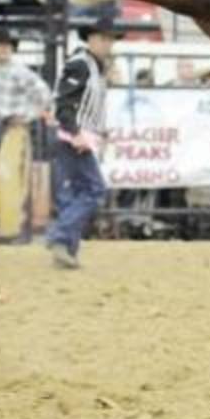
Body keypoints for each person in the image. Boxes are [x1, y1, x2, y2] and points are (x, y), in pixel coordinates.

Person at [47, 14, 122, 269]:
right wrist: (76, 132)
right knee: (94, 189)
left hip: (81, 135)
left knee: (82, 191)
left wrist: (99, 132)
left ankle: (67, 249)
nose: (107, 45)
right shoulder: (80, 64)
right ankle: (59, 236)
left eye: (110, 40)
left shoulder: (93, 66)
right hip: (74, 137)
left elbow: (85, 105)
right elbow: (64, 103)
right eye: (103, 39)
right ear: (90, 39)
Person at [0, 28, 51, 245]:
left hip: (13, 127)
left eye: (7, 45)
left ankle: (10, 230)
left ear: (12, 49)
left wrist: (28, 117)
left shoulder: (20, 71)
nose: (3, 48)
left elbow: (45, 95)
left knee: (8, 179)